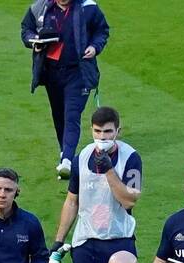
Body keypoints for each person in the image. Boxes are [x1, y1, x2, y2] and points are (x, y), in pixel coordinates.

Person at [51, 106, 142, 263]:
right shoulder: (81, 158)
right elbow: (72, 201)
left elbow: (129, 201)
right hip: (86, 242)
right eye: (97, 131)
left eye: (108, 131)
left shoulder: (131, 158)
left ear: (118, 131)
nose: (102, 137)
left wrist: (109, 170)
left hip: (119, 239)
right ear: (91, 130)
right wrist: (59, 240)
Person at [21, 0, 109, 178]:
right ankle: (65, 153)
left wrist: (94, 47)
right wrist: (34, 41)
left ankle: (67, 160)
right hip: (51, 73)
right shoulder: (40, 7)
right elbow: (26, 30)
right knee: (59, 115)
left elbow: (101, 30)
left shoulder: (88, 7)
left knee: (72, 115)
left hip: (78, 72)